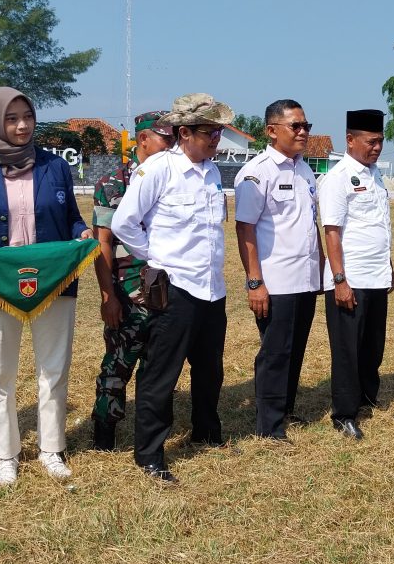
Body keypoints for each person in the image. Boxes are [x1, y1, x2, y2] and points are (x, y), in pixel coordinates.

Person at [0, 87, 92, 486]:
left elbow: (72, 217)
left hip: (52, 280)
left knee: (54, 369)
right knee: (0, 374)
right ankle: (5, 455)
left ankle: (51, 449)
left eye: (27, 116)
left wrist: (81, 233)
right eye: (11, 119)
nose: (23, 125)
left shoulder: (55, 166)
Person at [111, 94, 232, 481]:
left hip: (211, 288)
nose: (216, 139)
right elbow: (124, 223)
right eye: (209, 132)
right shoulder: (158, 170)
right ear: (184, 133)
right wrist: (156, 257)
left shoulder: (212, 172)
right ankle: (150, 454)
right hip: (175, 288)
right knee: (161, 374)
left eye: (219, 132)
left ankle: (206, 432)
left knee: (210, 370)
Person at [235, 99, 324, 440]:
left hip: (305, 277)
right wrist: (254, 281)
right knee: (275, 352)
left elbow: (310, 223)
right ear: (272, 131)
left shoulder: (305, 170)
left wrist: (320, 267)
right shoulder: (257, 172)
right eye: (295, 126)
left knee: (296, 347)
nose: (303, 132)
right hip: (276, 280)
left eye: (306, 126)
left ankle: (285, 408)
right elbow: (245, 228)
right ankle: (269, 425)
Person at [89, 110, 175, 451]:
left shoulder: (174, 177)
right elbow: (103, 244)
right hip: (128, 292)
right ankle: (104, 433)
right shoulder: (113, 184)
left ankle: (151, 432)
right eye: (166, 139)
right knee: (118, 363)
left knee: (159, 366)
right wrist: (108, 296)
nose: (172, 146)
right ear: (143, 139)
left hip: (167, 288)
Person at [319, 109, 394, 440]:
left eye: (380, 141)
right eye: (371, 142)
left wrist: (389, 265)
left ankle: (366, 398)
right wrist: (340, 280)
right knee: (347, 349)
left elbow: (380, 225)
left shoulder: (375, 175)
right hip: (350, 278)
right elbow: (332, 232)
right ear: (350, 140)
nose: (377, 147)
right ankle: (344, 414)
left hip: (376, 275)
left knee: (372, 345)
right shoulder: (338, 178)